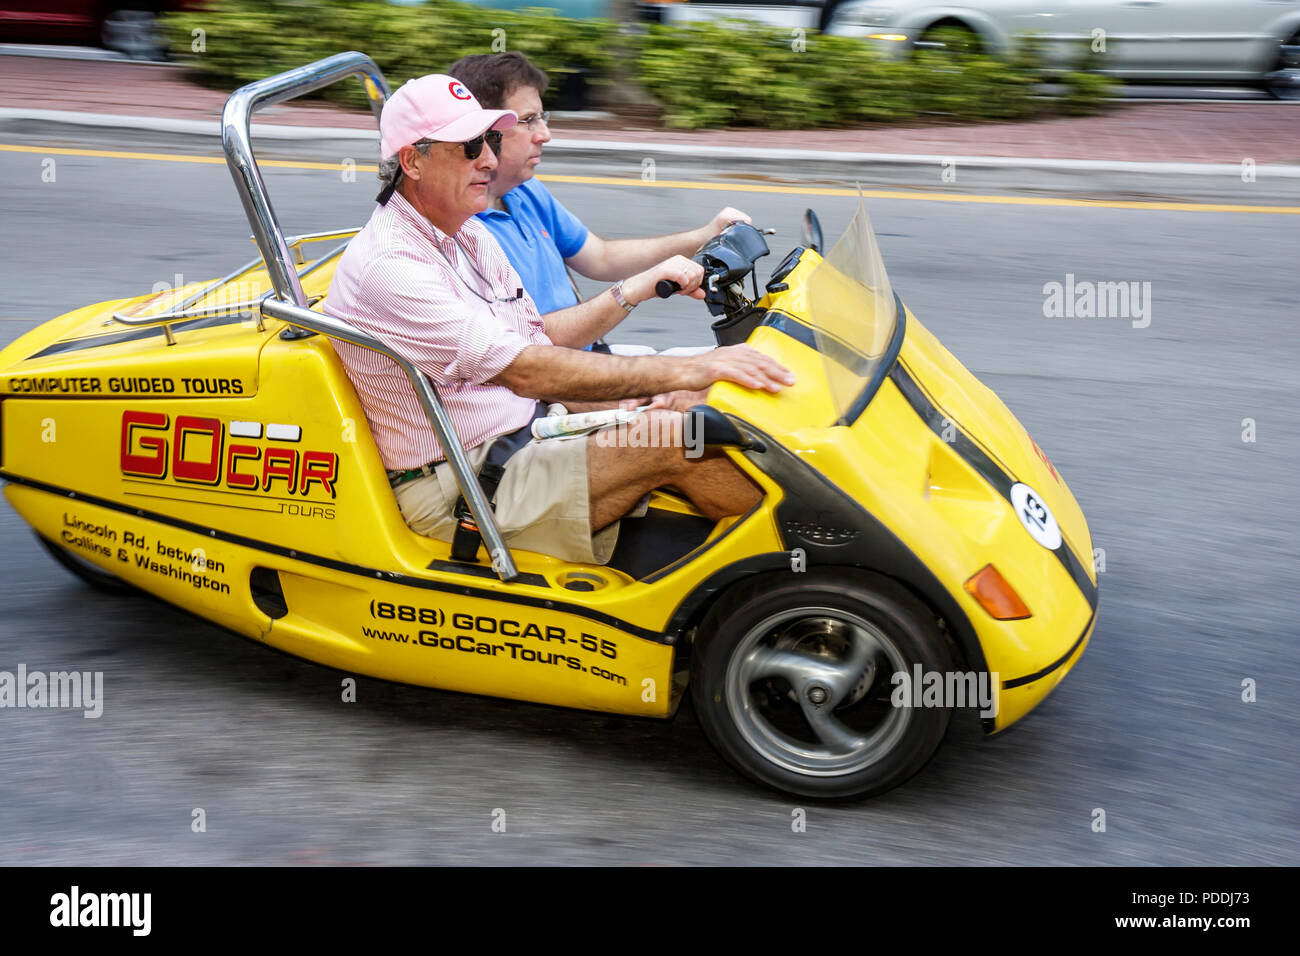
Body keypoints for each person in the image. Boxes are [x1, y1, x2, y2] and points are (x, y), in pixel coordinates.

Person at [323, 75, 793, 567]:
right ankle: (802, 568)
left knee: (702, 405)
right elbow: (526, 370)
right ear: (412, 160)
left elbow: (537, 340)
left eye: (491, 140)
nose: (487, 158)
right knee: (681, 440)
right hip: (462, 479)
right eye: (468, 147)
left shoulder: (466, 231)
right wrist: (684, 370)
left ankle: (788, 566)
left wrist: (658, 389)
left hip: (528, 429)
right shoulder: (391, 267)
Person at [448, 52, 751, 333]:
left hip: (587, 362)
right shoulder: (460, 228)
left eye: (544, 117)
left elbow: (602, 257)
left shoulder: (525, 192)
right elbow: (524, 340)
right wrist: (634, 290)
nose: (545, 135)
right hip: (553, 383)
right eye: (529, 121)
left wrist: (706, 235)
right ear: (488, 130)